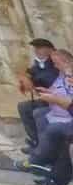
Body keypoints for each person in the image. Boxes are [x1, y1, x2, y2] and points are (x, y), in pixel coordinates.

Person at [15, 49, 73, 177]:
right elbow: (59, 89)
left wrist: (53, 98)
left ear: (66, 62)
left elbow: (69, 100)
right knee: (39, 114)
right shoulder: (62, 74)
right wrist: (48, 92)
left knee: (53, 128)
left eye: (57, 63)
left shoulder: (69, 75)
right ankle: (43, 151)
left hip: (67, 115)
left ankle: (37, 159)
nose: (55, 66)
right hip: (58, 110)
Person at [18, 38, 60, 151]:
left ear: (50, 50)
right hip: (47, 99)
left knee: (37, 112)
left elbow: (49, 78)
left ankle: (44, 146)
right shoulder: (39, 64)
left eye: (40, 48)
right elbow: (29, 72)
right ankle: (36, 141)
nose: (36, 51)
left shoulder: (55, 62)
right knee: (24, 107)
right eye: (35, 48)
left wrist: (33, 80)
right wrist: (25, 78)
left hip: (57, 101)